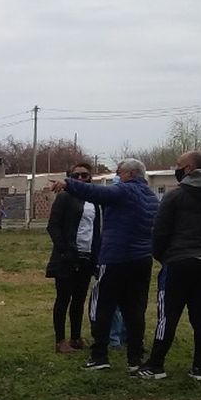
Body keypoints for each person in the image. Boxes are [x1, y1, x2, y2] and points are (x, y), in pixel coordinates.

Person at [53, 158, 159, 372]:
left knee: (102, 307)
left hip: (116, 259)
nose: (116, 177)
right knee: (135, 309)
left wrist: (69, 184)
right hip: (142, 260)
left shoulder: (125, 191)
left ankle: (99, 356)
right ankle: (134, 359)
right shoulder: (151, 197)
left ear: (129, 174)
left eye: (119, 173)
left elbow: (99, 194)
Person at [139, 151, 201, 381]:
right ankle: (199, 368)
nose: (175, 168)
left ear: (188, 168)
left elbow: (159, 231)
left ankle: (155, 365)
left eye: (178, 165)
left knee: (167, 315)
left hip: (177, 262)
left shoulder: (175, 196)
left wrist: (162, 255)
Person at [45, 163, 101, 353]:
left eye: (84, 175)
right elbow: (53, 226)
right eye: (75, 175)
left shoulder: (94, 200)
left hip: (87, 256)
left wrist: (97, 254)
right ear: (69, 177)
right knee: (63, 298)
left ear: (90, 177)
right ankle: (60, 341)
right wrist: (65, 251)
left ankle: (76, 338)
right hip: (67, 257)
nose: (80, 179)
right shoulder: (65, 197)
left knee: (79, 299)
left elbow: (97, 230)